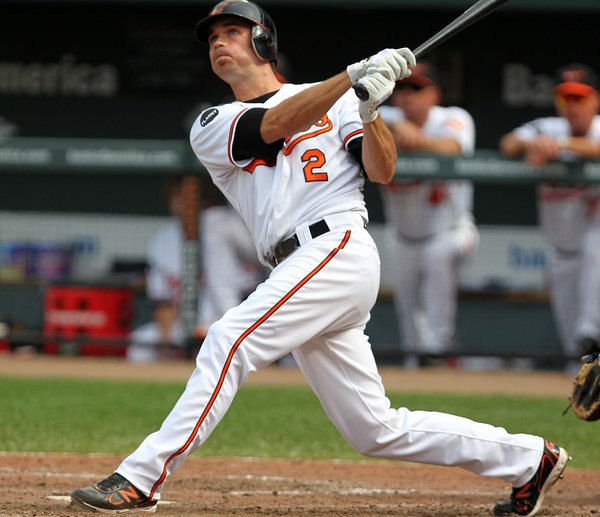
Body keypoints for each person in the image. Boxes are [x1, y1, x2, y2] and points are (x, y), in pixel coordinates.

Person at [71, 2, 568, 515]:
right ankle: (530, 459)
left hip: (337, 247)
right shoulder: (212, 122)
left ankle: (141, 477)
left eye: (234, 31)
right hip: (297, 264)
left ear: (264, 41)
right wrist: (350, 78)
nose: (220, 42)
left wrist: (371, 112)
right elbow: (275, 122)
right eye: (214, 36)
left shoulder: (341, 103)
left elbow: (383, 171)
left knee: (228, 338)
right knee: (374, 429)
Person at [499, 63, 600, 371]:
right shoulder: (547, 127)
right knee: (576, 353)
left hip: (593, 248)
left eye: (579, 98)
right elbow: (508, 144)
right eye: (565, 98)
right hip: (561, 251)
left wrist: (561, 147)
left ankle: (592, 329)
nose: (571, 107)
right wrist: (535, 143)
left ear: (595, 100)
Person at [378, 61, 479, 367]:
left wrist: (417, 139)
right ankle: (418, 363)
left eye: (417, 89)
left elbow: (453, 147)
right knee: (409, 317)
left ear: (434, 94)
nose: (408, 95)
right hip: (404, 234)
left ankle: (438, 347)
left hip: (452, 230)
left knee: (438, 254)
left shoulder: (452, 117)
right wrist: (396, 127)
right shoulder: (384, 118)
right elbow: (358, 115)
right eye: (403, 89)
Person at [127, 175, 263, 362]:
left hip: (237, 313)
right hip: (186, 322)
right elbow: (163, 301)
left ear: (203, 200)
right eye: (176, 196)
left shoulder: (220, 222)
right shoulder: (161, 241)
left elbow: (256, 267)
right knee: (141, 340)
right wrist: (166, 341)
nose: (183, 202)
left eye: (188, 196)